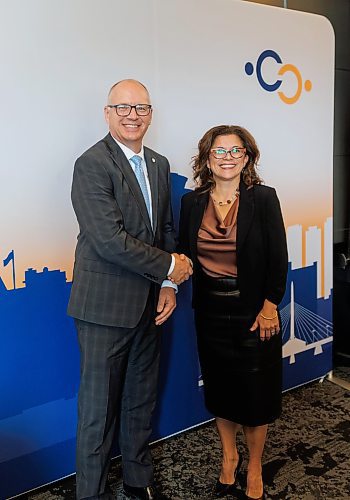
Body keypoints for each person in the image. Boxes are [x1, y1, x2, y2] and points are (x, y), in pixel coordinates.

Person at [68, 79, 192, 500]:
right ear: (107, 113)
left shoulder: (158, 163)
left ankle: (138, 483)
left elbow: (166, 231)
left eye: (140, 107)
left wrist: (169, 284)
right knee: (97, 413)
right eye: (122, 107)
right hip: (103, 309)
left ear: (150, 114)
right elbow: (108, 240)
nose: (132, 115)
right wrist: (171, 265)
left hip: (151, 307)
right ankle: (93, 493)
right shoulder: (91, 163)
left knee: (140, 403)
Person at [178, 125, 288, 500]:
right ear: (207, 157)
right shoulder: (191, 203)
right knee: (222, 391)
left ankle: (254, 464)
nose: (227, 158)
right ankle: (229, 458)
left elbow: (278, 258)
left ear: (247, 157)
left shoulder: (264, 198)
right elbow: (184, 256)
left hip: (255, 312)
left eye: (235, 151)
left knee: (256, 396)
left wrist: (271, 307)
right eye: (219, 151)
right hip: (209, 312)